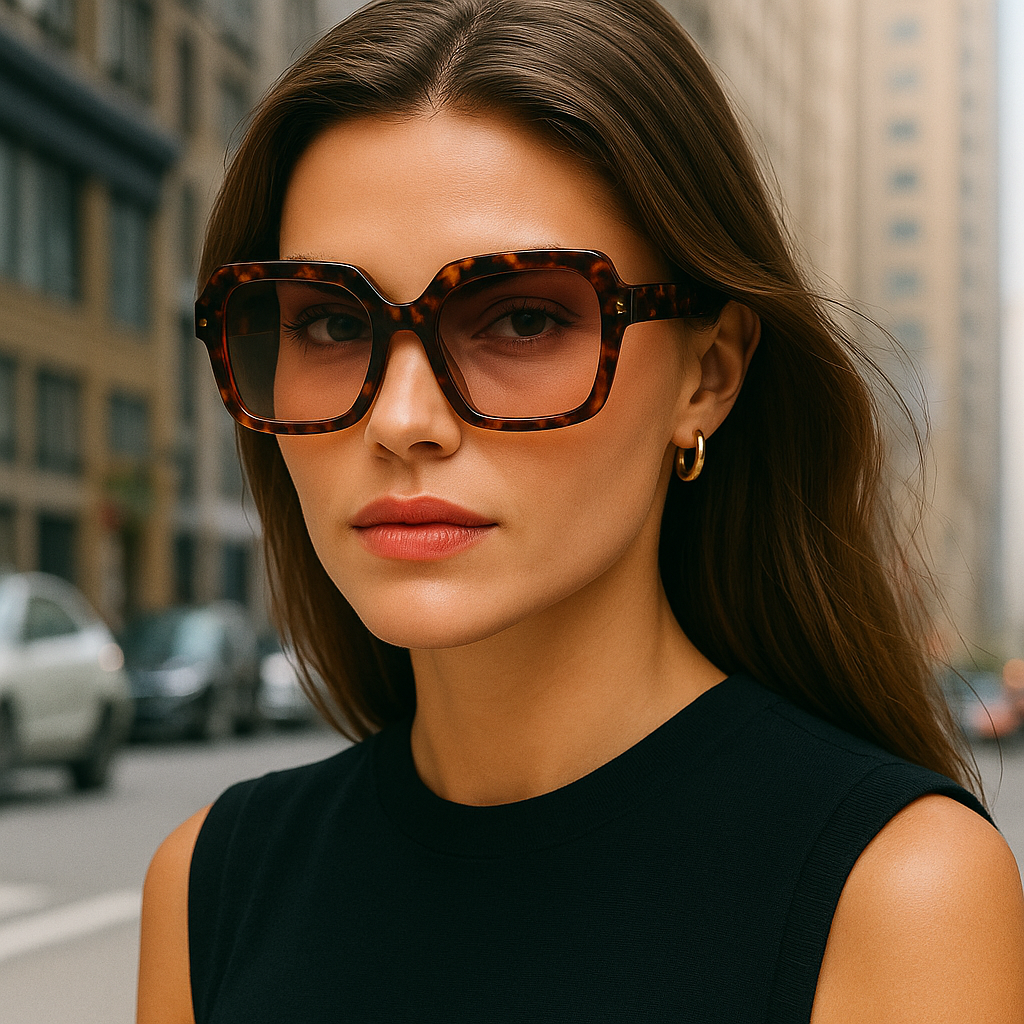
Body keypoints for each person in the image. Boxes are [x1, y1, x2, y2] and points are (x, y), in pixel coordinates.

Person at [137, 0, 1024, 1020]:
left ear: (709, 373)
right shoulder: (209, 883)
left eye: (520, 317)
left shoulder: (893, 889)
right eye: (332, 321)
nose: (402, 419)